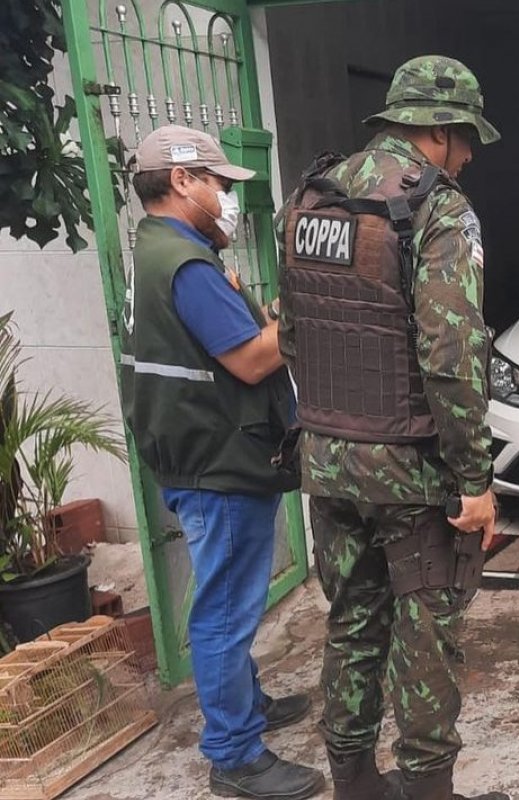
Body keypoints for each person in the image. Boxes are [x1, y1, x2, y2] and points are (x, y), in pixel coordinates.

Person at [277, 55, 507, 800]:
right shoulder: (438, 209)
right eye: (466, 137)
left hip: (325, 458)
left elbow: (292, 337)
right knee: (427, 637)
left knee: (352, 622)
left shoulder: (307, 199)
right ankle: (428, 790)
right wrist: (475, 481)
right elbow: (451, 354)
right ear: (437, 130)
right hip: (408, 469)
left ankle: (353, 781)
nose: (469, 155)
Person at [120, 125, 323, 800]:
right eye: (219, 183)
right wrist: (298, 309)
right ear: (182, 181)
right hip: (219, 462)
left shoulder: (161, 253)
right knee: (224, 611)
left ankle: (248, 703)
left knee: (231, 598)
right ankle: (235, 753)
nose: (227, 198)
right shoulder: (185, 265)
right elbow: (253, 358)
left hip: (201, 454)